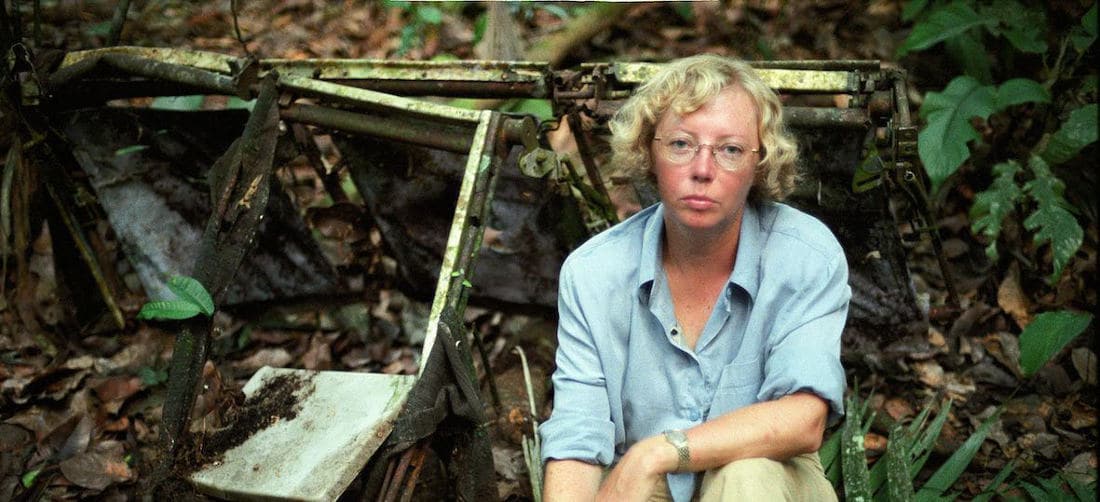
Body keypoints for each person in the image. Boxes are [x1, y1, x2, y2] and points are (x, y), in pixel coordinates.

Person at [539, 54, 850, 501]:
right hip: (644, 488)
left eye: (730, 150)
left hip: (767, 484)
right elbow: (577, 438)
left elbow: (803, 419)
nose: (703, 170)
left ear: (759, 164)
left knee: (745, 476)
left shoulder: (804, 256)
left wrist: (655, 454)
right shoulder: (595, 272)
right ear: (650, 151)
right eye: (682, 144)